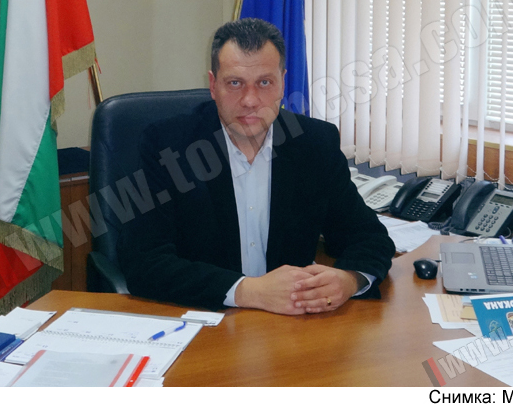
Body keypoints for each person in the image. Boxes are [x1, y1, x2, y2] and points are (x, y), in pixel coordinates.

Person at [118, 18, 395, 314]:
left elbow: (368, 237)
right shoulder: (168, 146)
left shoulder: (314, 143)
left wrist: (349, 280)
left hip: (290, 326)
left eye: (264, 82)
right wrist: (248, 291)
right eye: (235, 83)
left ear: (282, 83)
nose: (250, 100)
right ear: (213, 85)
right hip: (205, 319)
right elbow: (144, 262)